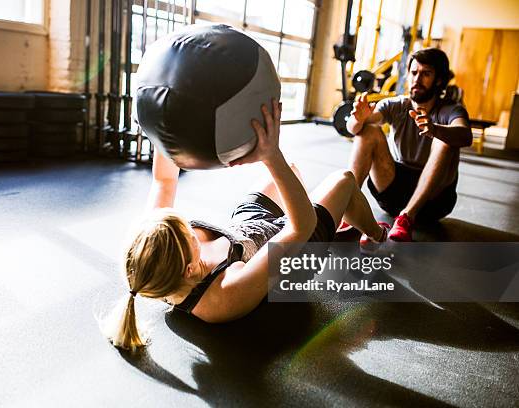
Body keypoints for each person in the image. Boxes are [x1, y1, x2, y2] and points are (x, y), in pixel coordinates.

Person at [110, 100, 390, 350]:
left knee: (291, 170)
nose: (188, 224)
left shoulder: (156, 240)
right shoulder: (224, 295)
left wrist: (164, 124)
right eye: (190, 234)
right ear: (191, 268)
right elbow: (300, 227)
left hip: (245, 229)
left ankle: (334, 216)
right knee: (343, 180)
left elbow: (164, 180)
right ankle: (375, 234)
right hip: (295, 249)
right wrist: (270, 154)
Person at [344, 48, 472, 241]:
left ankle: (406, 217)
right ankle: (348, 210)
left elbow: (465, 136)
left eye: (425, 74)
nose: (417, 79)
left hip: (433, 201)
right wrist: (358, 119)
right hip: (393, 192)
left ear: (438, 80)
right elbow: (354, 129)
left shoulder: (451, 110)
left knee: (446, 139)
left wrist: (435, 129)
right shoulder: (396, 105)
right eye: (414, 73)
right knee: (368, 131)